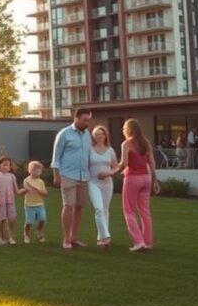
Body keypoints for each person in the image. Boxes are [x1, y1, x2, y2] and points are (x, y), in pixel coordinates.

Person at [106, 118, 160, 252]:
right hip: (146, 178)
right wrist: (155, 180)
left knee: (129, 211)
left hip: (132, 178)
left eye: (124, 128)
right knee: (145, 212)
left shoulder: (126, 144)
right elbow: (152, 163)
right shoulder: (146, 143)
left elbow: (123, 164)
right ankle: (148, 242)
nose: (123, 130)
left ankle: (138, 241)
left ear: (129, 130)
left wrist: (110, 172)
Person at [51, 107, 93, 249]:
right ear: (76, 118)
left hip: (84, 177)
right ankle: (66, 239)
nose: (87, 122)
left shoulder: (87, 134)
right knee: (68, 206)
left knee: (79, 207)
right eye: (84, 120)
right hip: (67, 175)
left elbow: (88, 155)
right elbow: (56, 157)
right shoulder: (64, 134)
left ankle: (74, 237)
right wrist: (56, 175)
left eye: (89, 120)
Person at [89, 125, 118, 247]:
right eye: (96, 134)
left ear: (105, 135)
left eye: (101, 134)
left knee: (105, 210)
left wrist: (108, 173)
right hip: (93, 182)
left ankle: (101, 238)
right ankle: (106, 235)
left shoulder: (110, 150)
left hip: (107, 183)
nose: (99, 136)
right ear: (93, 137)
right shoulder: (89, 150)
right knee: (99, 209)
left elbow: (116, 167)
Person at [0, 157, 21, 245]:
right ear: (0, 165)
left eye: (8, 165)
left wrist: (25, 190)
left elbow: (17, 190)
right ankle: (1, 238)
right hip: (1, 201)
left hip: (10, 201)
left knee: (12, 219)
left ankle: (11, 237)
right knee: (2, 220)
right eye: (4, 165)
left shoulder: (12, 176)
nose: (6, 167)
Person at [21, 161, 48, 243]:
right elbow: (24, 192)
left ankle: (39, 231)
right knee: (29, 222)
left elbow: (45, 193)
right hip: (29, 205)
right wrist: (24, 190)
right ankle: (26, 234)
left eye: (38, 170)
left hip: (40, 204)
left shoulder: (41, 182)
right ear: (29, 170)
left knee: (42, 219)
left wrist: (39, 190)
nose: (37, 172)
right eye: (34, 170)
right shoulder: (26, 180)